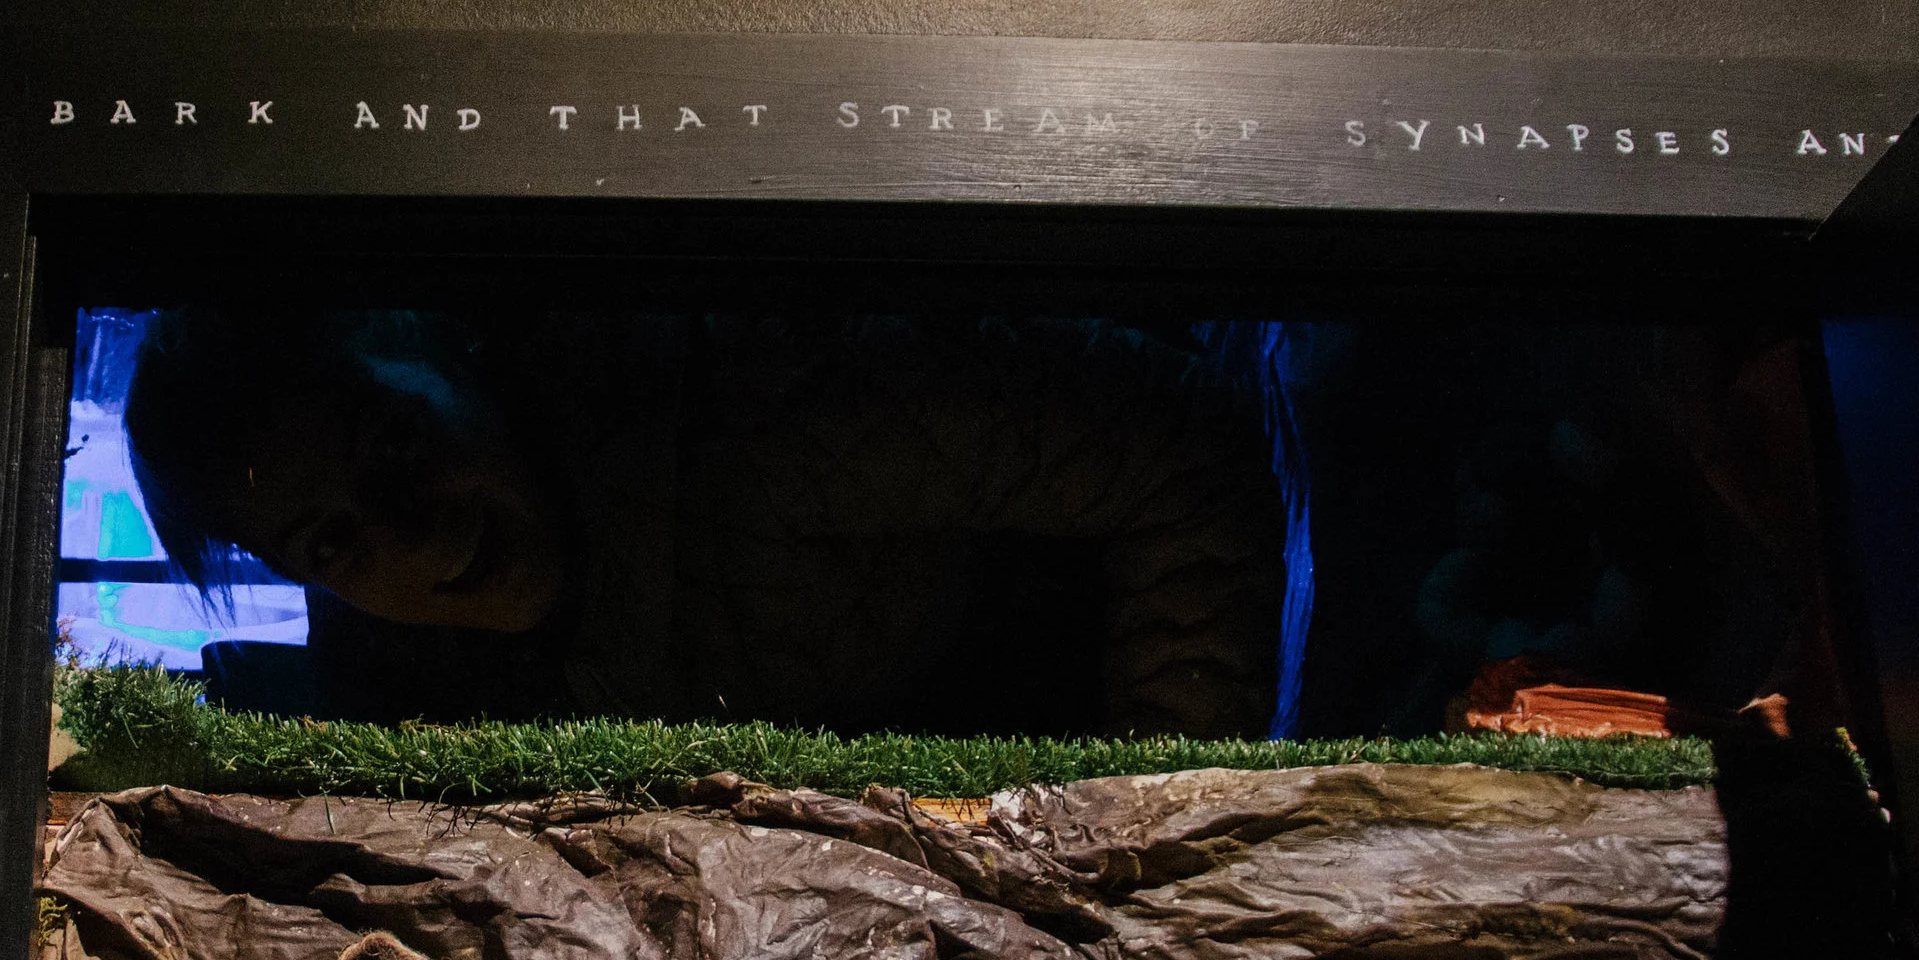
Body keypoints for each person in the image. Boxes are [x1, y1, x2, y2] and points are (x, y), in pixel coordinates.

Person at [123, 307, 1284, 738]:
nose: (412, 533)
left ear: (447, 346)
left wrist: (1151, 840)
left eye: (393, 443)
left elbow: (1177, 449)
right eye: (331, 544)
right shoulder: (420, 715)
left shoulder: (753, 412)